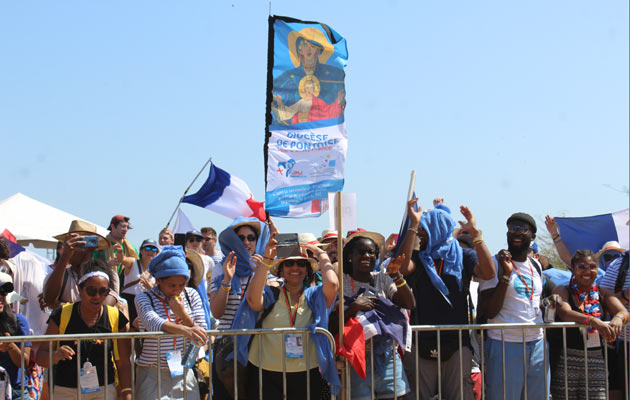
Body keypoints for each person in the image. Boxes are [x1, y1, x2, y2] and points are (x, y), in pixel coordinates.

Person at [397, 199, 494, 400]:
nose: (420, 235)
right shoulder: (419, 257)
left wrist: (476, 235)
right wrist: (412, 227)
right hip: (421, 340)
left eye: (424, 229)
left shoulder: (464, 255)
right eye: (420, 230)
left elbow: (488, 272)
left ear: (437, 229)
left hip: (457, 343)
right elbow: (402, 268)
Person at [237, 240, 339, 399]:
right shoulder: (271, 293)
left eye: (301, 264)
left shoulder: (314, 296)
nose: (295, 268)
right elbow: (253, 301)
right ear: (281, 271)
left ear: (307, 270)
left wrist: (321, 254)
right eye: (289, 263)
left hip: (305, 371)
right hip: (266, 371)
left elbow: (332, 284)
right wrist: (267, 259)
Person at [37, 259, 132, 400]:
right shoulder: (62, 314)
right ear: (80, 289)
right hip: (65, 391)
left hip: (103, 391)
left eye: (103, 291)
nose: (97, 297)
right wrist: (55, 356)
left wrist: (127, 392)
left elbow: (124, 362)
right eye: (91, 291)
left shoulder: (115, 317)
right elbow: (40, 357)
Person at [477, 213, 547, 400]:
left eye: (522, 229)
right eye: (512, 228)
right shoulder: (494, 263)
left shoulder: (536, 266)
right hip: (505, 343)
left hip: (537, 344)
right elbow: (489, 310)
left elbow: (534, 300)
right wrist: (506, 276)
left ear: (532, 236)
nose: (516, 232)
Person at [341, 231, 416, 400]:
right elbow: (331, 324)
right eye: (361, 252)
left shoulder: (383, 278)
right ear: (350, 256)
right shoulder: (341, 283)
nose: (367, 255)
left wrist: (396, 276)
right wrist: (353, 308)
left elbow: (409, 303)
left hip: (387, 355)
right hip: (356, 358)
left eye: (372, 253)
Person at [548, 249, 628, 399]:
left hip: (596, 360)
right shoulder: (562, 289)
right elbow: (565, 313)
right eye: (581, 267)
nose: (587, 271)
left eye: (592, 266)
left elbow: (623, 311)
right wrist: (592, 321)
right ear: (573, 270)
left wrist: (618, 318)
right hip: (566, 360)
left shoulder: (603, 293)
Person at [208, 217, 273, 400]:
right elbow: (217, 312)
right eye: (240, 238)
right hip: (228, 348)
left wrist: (261, 271)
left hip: (259, 346)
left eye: (251, 237)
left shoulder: (267, 266)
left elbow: (262, 306)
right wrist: (227, 281)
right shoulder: (221, 268)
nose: (246, 242)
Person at [134, 245, 208, 400]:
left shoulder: (192, 295)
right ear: (159, 280)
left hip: (183, 371)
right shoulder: (144, 298)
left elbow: (202, 332)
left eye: (181, 285)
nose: (177, 290)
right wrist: (186, 330)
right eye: (172, 285)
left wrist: (182, 314)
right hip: (152, 373)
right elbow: (152, 322)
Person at [271, 28, 345, 125]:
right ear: (299, 50)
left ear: (318, 50)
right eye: (305, 45)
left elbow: (330, 111)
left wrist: (338, 101)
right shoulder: (287, 77)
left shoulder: (333, 75)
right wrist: (296, 118)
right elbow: (280, 112)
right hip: (295, 133)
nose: (309, 49)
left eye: (313, 46)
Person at [43, 220, 118, 308]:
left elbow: (100, 309)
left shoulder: (107, 276)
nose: (72, 250)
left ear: (91, 248)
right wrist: (64, 257)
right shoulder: (61, 275)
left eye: (78, 244)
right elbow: (48, 299)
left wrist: (59, 305)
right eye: (70, 244)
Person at [0, 272, 32, 399]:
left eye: (3, 292)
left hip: (16, 392)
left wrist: (10, 345)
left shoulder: (19, 320)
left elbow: (24, 362)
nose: (1, 296)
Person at [120, 239, 157, 323]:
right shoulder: (133, 262)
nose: (150, 251)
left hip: (145, 303)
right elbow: (122, 259)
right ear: (141, 251)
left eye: (154, 249)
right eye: (147, 249)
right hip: (130, 301)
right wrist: (119, 253)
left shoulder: (155, 271)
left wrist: (150, 287)